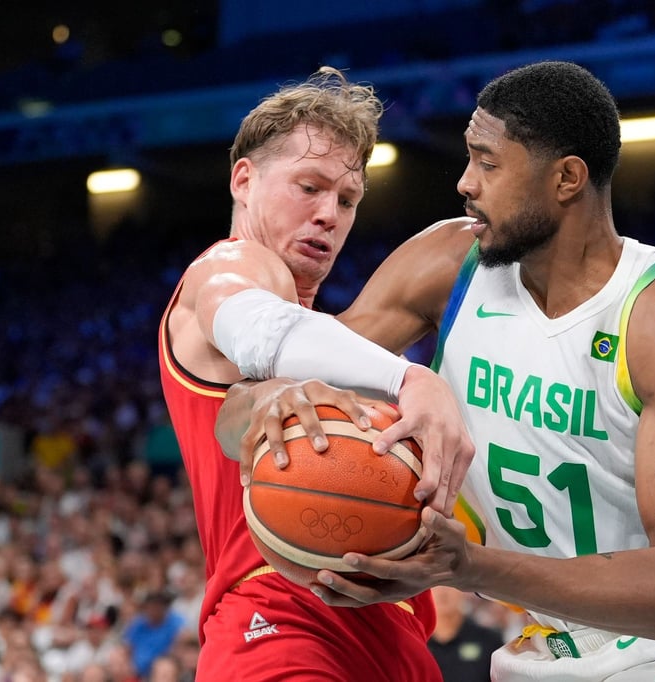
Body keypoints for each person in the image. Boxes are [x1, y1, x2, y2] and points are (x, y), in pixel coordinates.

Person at [221, 61, 655, 680]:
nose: (465, 183)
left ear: (567, 179)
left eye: (488, 163)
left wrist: (466, 566)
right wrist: (274, 402)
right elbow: (234, 413)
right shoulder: (450, 267)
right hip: (545, 648)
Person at [157, 67, 474, 681]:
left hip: (394, 627)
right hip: (279, 621)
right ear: (243, 180)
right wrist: (415, 380)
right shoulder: (229, 267)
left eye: (348, 200)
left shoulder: (333, 341)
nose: (329, 213)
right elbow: (252, 364)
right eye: (309, 187)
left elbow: (453, 252)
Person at [427, 586, 506, 681]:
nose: (442, 592)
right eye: (435, 586)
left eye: (449, 585)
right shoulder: (414, 643)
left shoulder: (489, 640)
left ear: (463, 589)